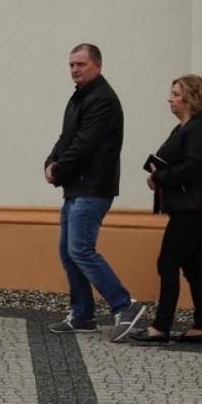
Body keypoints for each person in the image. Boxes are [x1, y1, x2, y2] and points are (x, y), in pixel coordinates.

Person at [44, 44, 148, 341]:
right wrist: (50, 162)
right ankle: (82, 315)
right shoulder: (80, 97)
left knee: (81, 249)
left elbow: (85, 144)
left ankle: (125, 305)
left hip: (93, 187)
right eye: (71, 65)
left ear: (98, 66)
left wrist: (59, 169)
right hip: (76, 187)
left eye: (81, 64)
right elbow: (67, 138)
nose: (75, 69)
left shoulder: (101, 100)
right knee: (68, 251)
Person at [131, 75, 202, 344]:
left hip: (194, 208)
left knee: (167, 262)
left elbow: (192, 167)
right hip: (189, 206)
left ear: (191, 98)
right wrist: (156, 176)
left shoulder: (200, 130)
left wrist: (162, 178)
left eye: (176, 94)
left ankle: (161, 327)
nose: (170, 98)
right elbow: (170, 163)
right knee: (192, 266)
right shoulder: (181, 129)